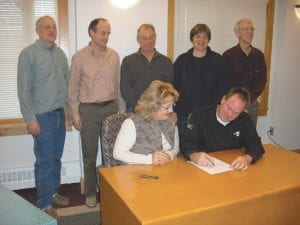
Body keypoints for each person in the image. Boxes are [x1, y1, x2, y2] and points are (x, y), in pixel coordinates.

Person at [17, 15, 70, 218]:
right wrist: (30, 119)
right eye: (47, 27)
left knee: (55, 159)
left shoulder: (59, 54)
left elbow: (64, 84)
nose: (51, 30)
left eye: (54, 27)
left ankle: (54, 193)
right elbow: (24, 89)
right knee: (44, 161)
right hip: (41, 118)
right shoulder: (28, 54)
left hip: (58, 115)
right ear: (37, 30)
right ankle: (43, 204)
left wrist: (67, 112)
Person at [68, 18, 124, 208]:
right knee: (90, 154)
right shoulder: (79, 57)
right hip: (88, 111)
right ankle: (91, 192)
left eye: (108, 33)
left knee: (111, 154)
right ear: (91, 32)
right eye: (103, 32)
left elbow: (118, 87)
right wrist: (75, 115)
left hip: (111, 108)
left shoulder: (114, 56)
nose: (106, 37)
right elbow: (73, 89)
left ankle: (110, 191)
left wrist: (121, 112)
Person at [181, 87, 265, 171]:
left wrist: (248, 158)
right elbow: (187, 142)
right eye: (229, 107)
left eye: (236, 113)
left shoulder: (244, 119)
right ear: (223, 99)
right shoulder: (199, 115)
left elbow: (255, 144)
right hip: (203, 167)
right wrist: (193, 155)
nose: (229, 114)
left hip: (231, 168)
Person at [173, 23, 230, 138]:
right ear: (192, 39)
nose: (201, 40)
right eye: (198, 36)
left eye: (205, 37)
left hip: (210, 115)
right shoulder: (181, 60)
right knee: (185, 149)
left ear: (208, 39)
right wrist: (173, 111)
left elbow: (224, 87)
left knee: (208, 149)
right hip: (184, 114)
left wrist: (214, 109)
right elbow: (173, 88)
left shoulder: (218, 60)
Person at [113, 80, 179, 165]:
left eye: (172, 105)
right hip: (136, 172)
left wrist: (169, 155)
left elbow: (175, 148)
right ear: (153, 105)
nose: (171, 111)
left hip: (165, 170)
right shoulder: (131, 123)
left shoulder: (169, 122)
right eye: (167, 107)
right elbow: (118, 154)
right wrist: (149, 159)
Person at [120, 24, 174, 112]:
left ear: (155, 38)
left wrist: (158, 105)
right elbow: (125, 89)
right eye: (144, 38)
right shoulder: (128, 61)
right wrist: (139, 105)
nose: (148, 41)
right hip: (135, 109)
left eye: (151, 37)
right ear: (138, 39)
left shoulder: (166, 61)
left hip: (159, 109)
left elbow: (169, 88)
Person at [223, 18, 267, 126]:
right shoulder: (228, 55)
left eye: (252, 29)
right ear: (238, 33)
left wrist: (248, 100)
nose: (250, 32)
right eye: (246, 29)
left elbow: (262, 80)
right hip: (233, 104)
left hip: (251, 103)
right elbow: (225, 82)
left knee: (249, 136)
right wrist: (237, 100)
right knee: (232, 136)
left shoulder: (259, 55)